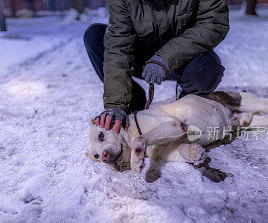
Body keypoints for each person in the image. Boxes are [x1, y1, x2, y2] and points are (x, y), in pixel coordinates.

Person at [84, 0, 230, 133]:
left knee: (208, 68)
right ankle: (132, 99)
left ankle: (188, 95)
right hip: (142, 59)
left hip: (184, 57)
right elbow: (118, 46)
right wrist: (115, 104)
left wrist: (166, 58)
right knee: (94, 35)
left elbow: (213, 24)